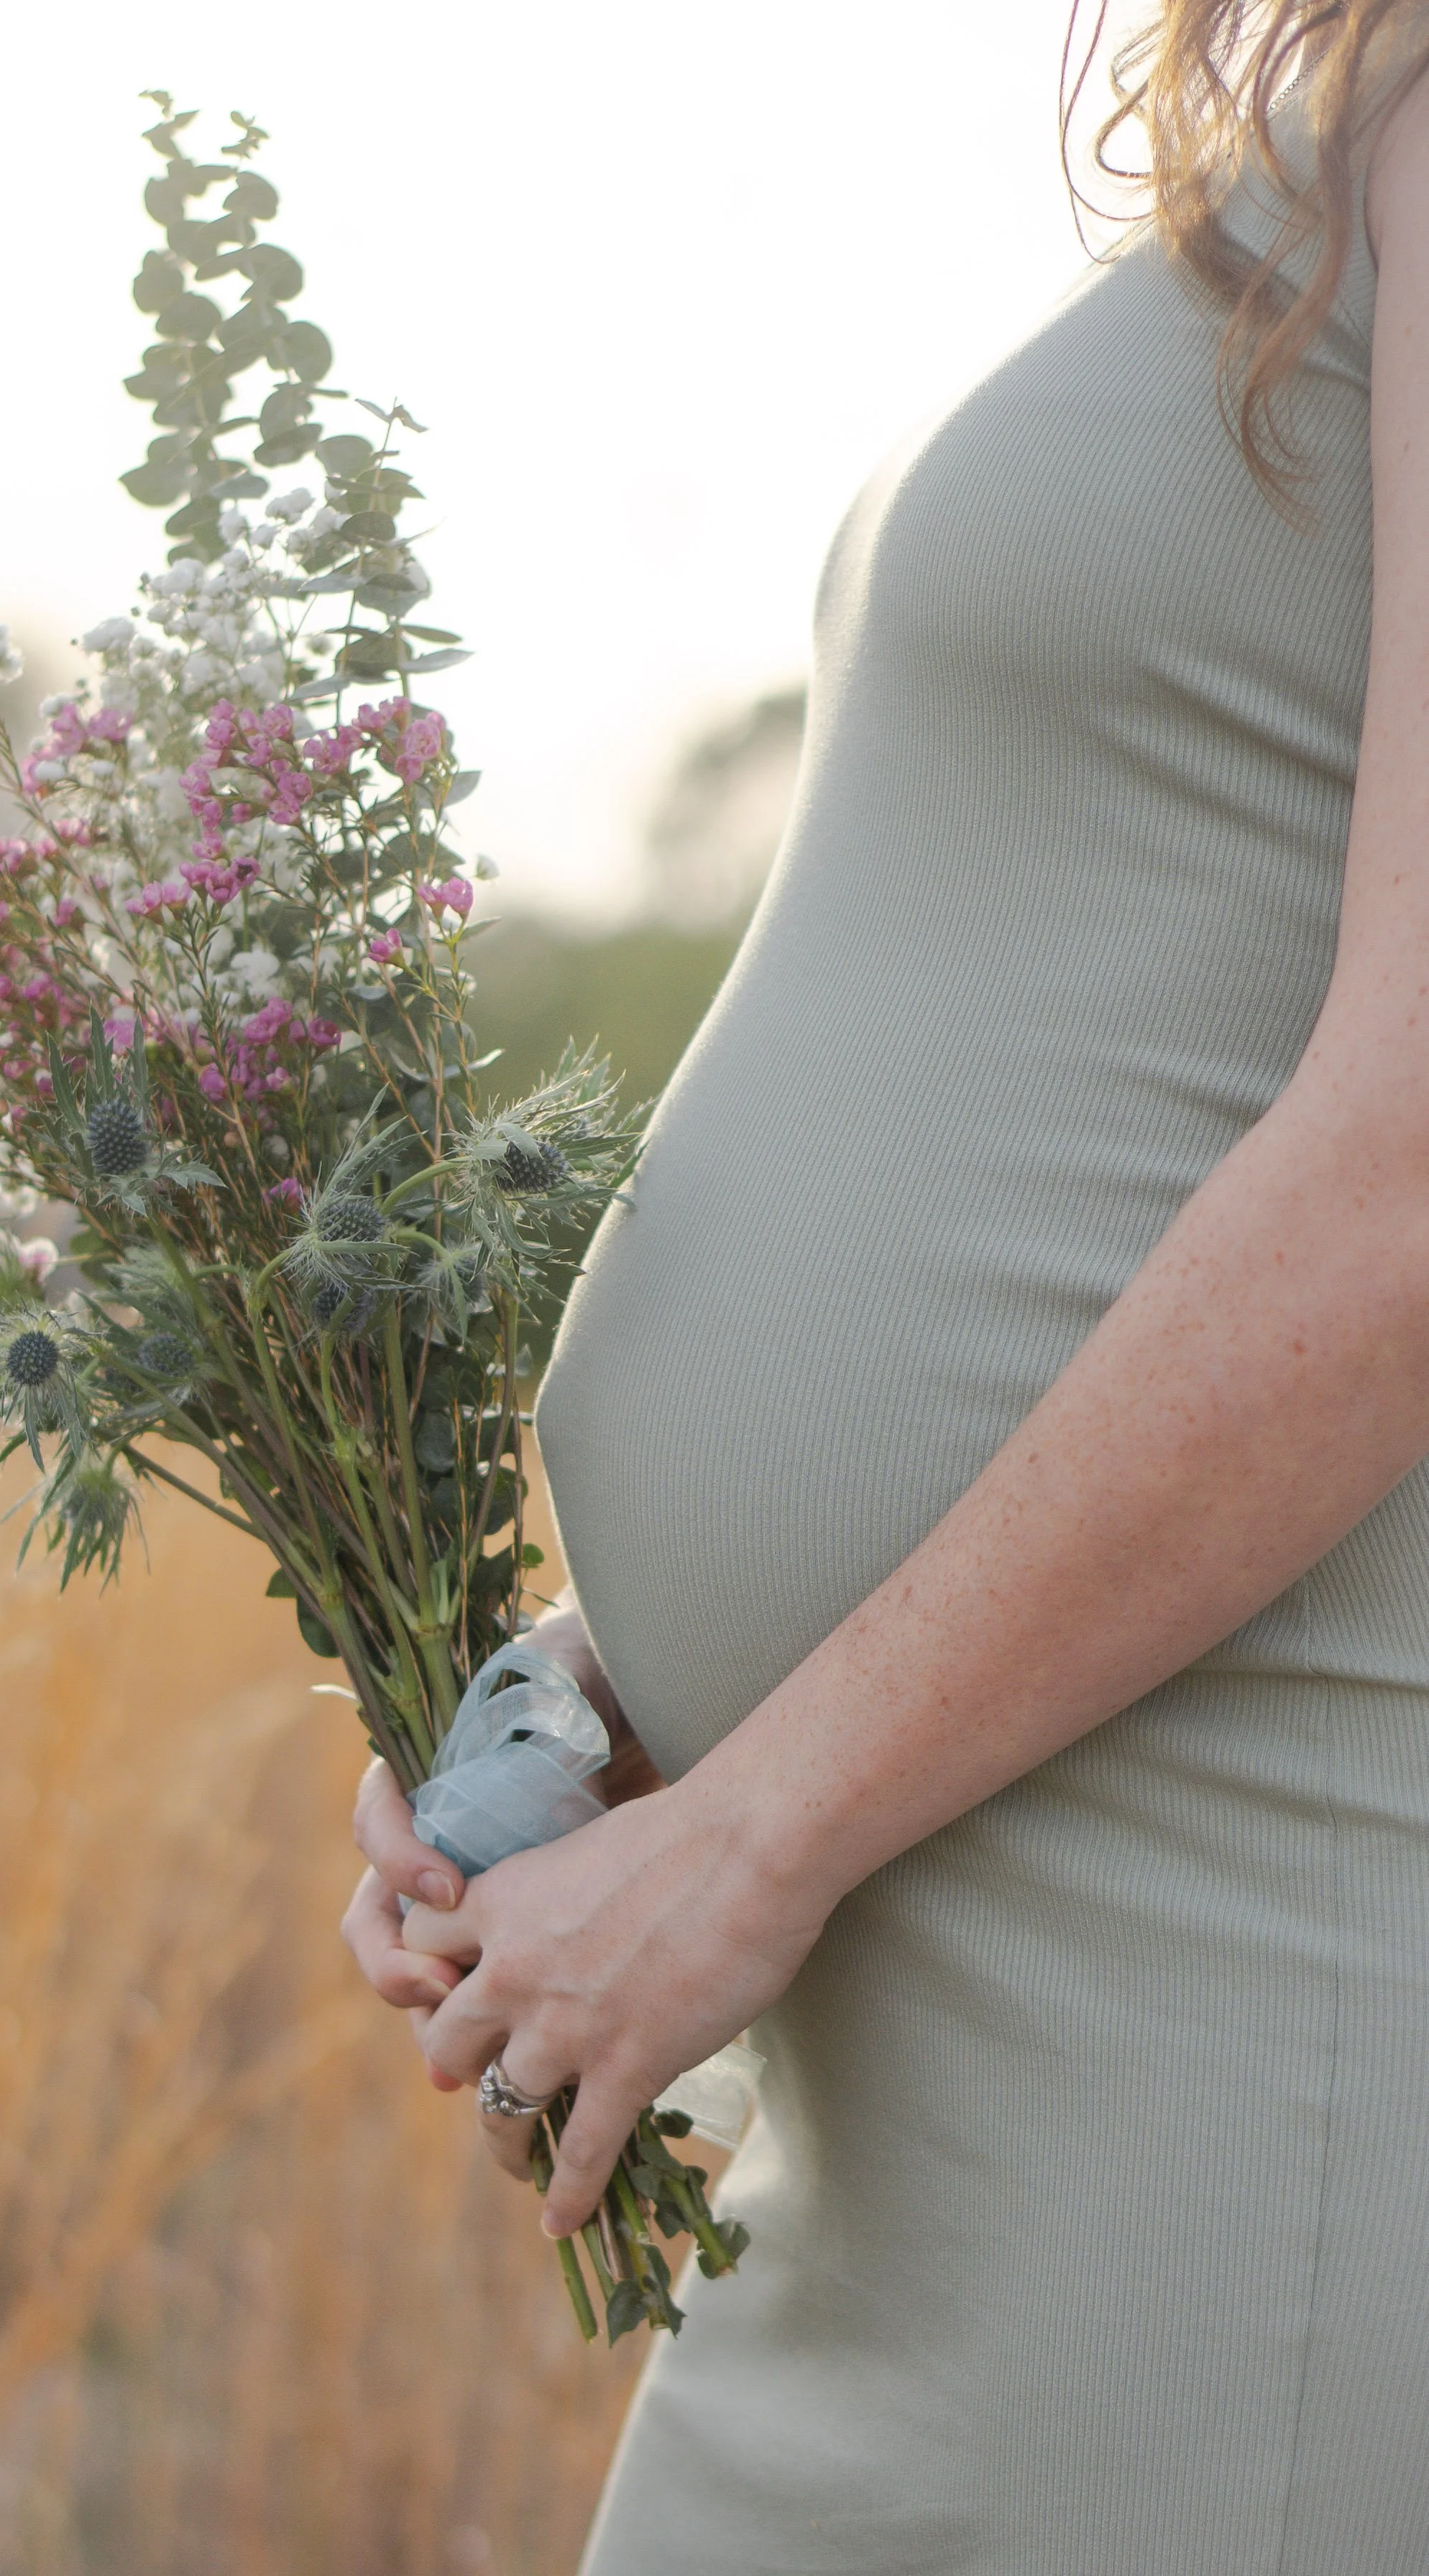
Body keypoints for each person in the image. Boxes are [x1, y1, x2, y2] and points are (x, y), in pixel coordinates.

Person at [342, 4, 1429, 2563]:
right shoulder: (1327, 128)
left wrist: (749, 1846)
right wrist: (609, 1717)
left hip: (1208, 2009)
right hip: (903, 2006)